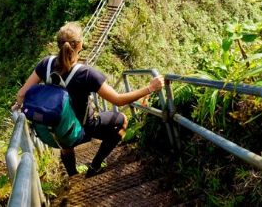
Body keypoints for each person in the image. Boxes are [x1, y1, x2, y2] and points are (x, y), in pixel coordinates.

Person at [12, 22, 165, 177]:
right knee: (122, 121)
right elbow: (118, 100)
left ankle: (73, 175)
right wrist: (150, 88)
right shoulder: (86, 74)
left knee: (65, 138)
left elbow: (22, 94)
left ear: (59, 45)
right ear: (80, 44)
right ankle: (95, 165)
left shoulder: (46, 63)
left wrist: (18, 108)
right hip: (85, 130)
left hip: (56, 131)